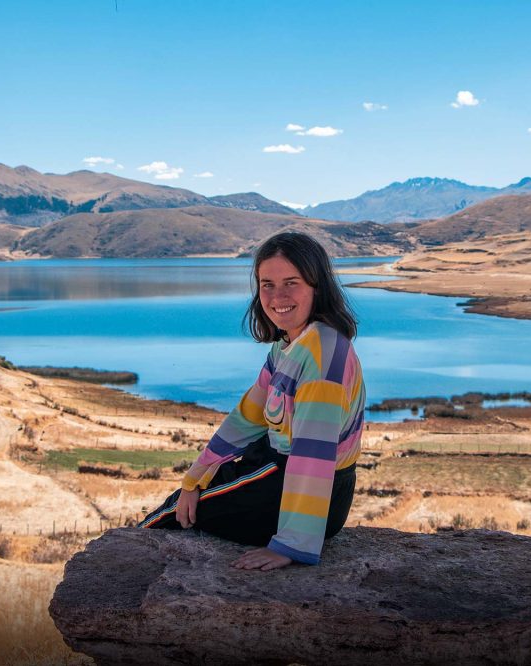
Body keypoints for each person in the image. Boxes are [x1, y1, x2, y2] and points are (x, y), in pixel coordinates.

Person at [137, 231, 365, 571]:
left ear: (318, 286)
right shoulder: (291, 343)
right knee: (187, 498)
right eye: (267, 284)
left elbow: (313, 456)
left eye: (292, 283)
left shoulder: (320, 355)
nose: (278, 297)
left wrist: (291, 544)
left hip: (301, 494)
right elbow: (248, 416)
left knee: (172, 515)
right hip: (279, 470)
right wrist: (194, 476)